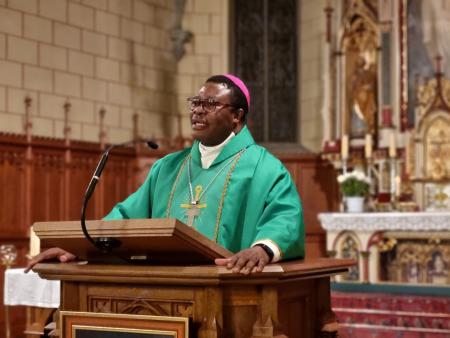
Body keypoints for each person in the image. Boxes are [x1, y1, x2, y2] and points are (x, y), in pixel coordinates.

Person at [26, 74, 305, 274]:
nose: (197, 110)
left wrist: (262, 250)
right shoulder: (168, 167)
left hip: (232, 286)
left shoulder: (264, 167)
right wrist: (80, 245)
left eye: (209, 104)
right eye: (195, 102)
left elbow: (285, 217)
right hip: (166, 283)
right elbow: (126, 216)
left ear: (237, 116)